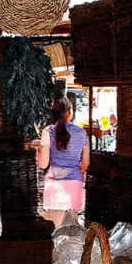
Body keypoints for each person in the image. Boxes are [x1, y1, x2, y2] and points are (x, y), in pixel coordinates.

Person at [34, 97, 89, 227]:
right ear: (70, 112)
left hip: (55, 187)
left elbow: (43, 164)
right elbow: (85, 164)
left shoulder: (48, 131)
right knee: (73, 231)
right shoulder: (82, 132)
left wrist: (38, 153)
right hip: (75, 186)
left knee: (59, 232)